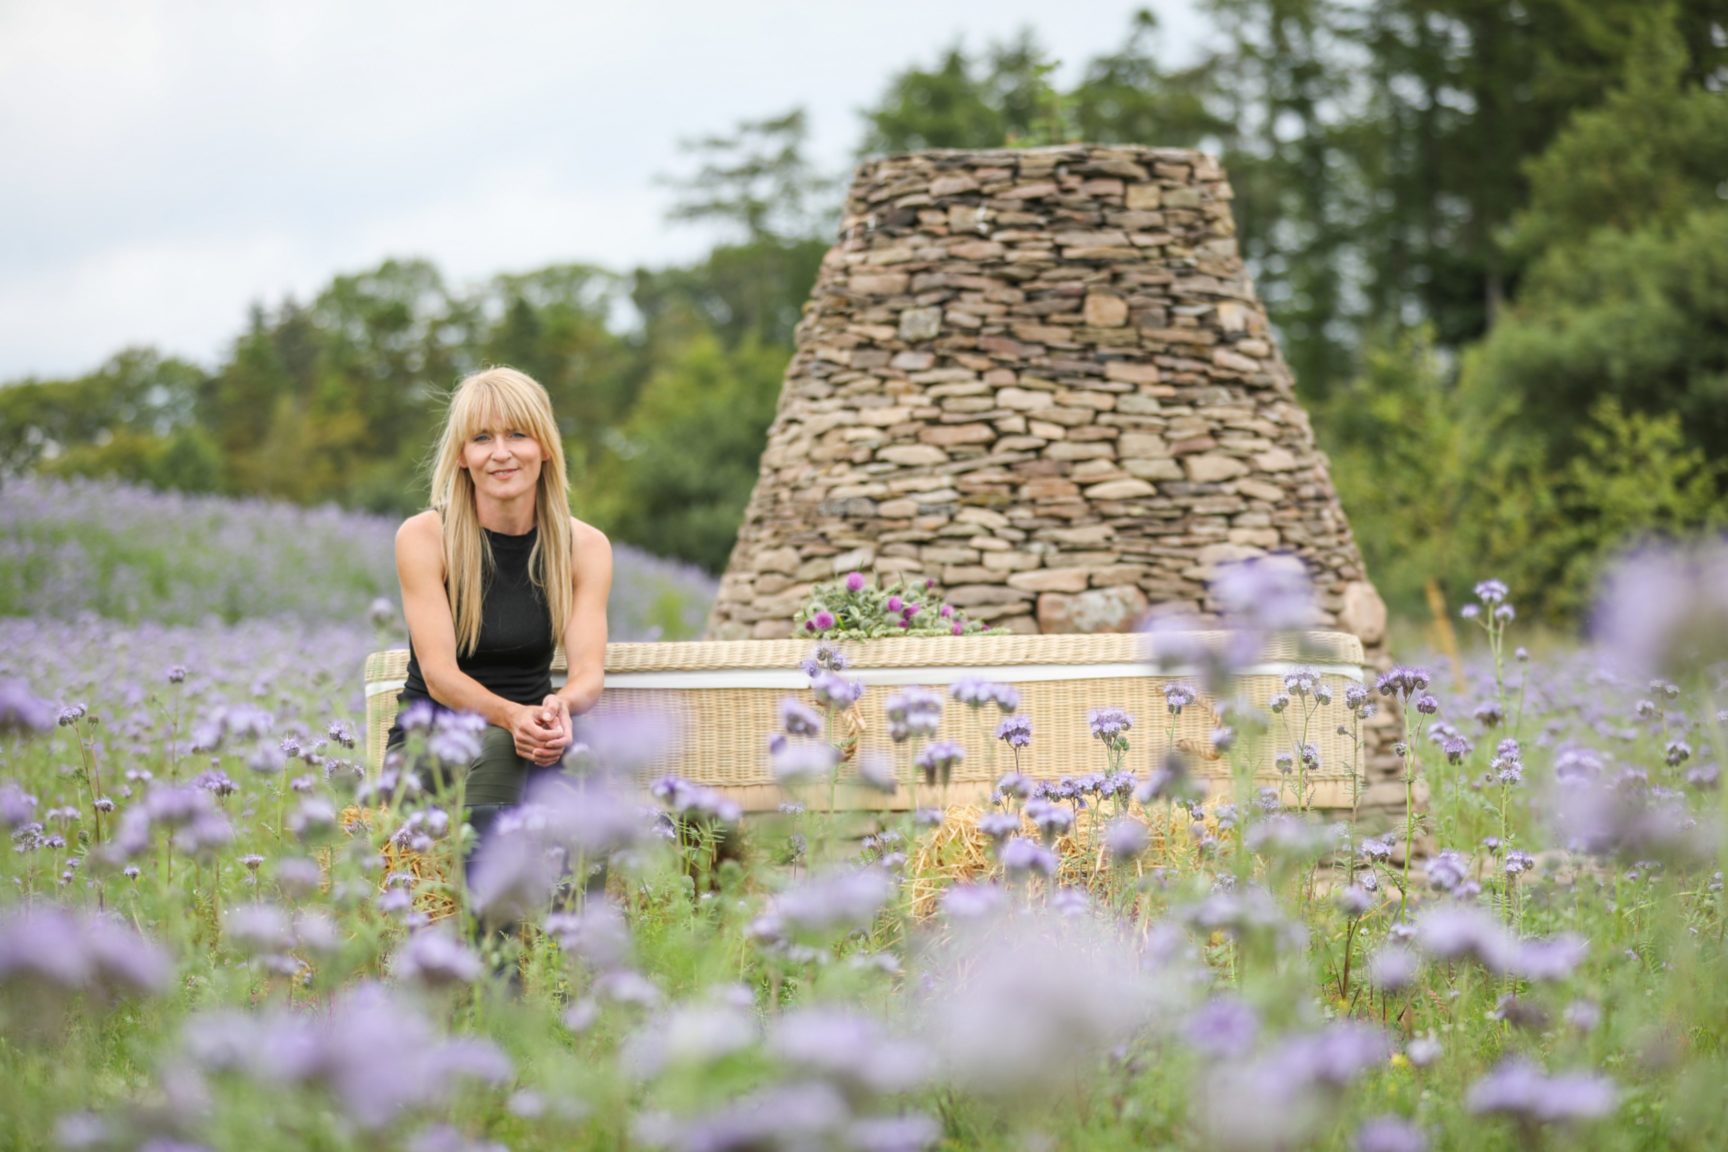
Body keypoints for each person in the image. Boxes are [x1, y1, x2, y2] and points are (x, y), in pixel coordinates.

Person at [385, 365, 613, 892]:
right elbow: (439, 675)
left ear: (545, 447)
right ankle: (494, 955)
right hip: (432, 747)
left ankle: (575, 950)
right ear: (462, 455)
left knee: (584, 763)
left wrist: (558, 708)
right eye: (482, 438)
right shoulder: (425, 537)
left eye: (518, 434)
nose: (501, 452)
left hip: (532, 737)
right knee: (498, 749)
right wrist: (512, 718)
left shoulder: (584, 547)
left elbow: (587, 672)